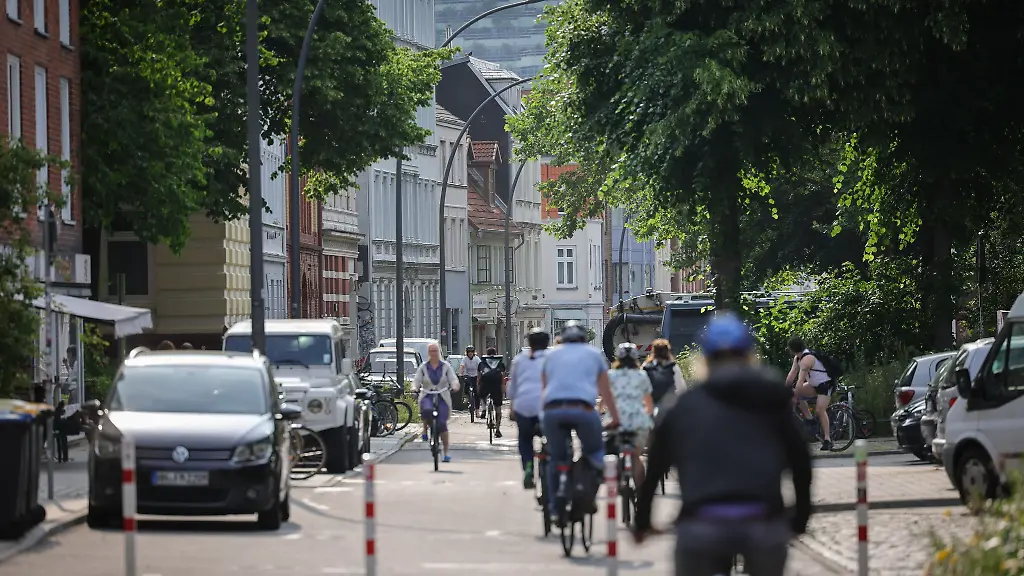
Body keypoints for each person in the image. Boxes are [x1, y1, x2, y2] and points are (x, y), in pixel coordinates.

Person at [633, 313, 812, 576]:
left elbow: (656, 465)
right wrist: (799, 519)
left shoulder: (685, 406)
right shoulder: (772, 398)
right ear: (749, 354)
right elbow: (800, 461)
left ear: (704, 358)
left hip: (701, 524)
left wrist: (643, 522)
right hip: (762, 522)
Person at [540, 321, 621, 520]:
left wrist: (542, 419)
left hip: (553, 411)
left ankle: (554, 502)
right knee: (595, 451)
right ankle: (586, 493)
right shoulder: (593, 355)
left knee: (556, 458)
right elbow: (606, 392)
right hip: (583, 410)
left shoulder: (550, 355)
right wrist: (615, 418)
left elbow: (544, 390)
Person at [603, 343, 654, 487]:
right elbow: (648, 400)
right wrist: (649, 414)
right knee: (636, 457)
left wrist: (599, 408)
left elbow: (605, 397)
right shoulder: (641, 375)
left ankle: (614, 479)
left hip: (616, 419)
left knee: (611, 450)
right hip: (638, 420)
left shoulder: (611, 375)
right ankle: (641, 493)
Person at [507, 328, 549, 488]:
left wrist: (512, 407)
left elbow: (512, 388)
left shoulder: (519, 360)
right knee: (553, 437)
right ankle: (553, 467)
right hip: (547, 407)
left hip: (524, 406)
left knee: (525, 438)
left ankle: (529, 467)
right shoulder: (552, 358)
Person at [411, 343, 460, 463]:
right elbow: (417, 380)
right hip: (428, 394)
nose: (433, 353)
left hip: (442, 395)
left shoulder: (445, 366)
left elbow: (453, 379)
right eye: (431, 351)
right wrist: (414, 388)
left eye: (435, 351)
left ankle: (446, 452)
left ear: (439, 352)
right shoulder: (423, 367)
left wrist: (454, 386)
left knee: (442, 423)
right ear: (428, 353)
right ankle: (426, 429)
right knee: (426, 410)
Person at [786, 337, 833, 451]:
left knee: (819, 410)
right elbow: (791, 375)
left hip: (825, 385)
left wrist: (795, 396)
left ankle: (828, 440)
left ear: (792, 349)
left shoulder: (807, 359)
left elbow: (800, 381)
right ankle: (810, 419)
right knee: (793, 393)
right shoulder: (797, 359)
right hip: (814, 385)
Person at [642, 338, 688, 404]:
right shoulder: (672, 366)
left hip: (652, 404)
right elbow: (681, 388)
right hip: (669, 404)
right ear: (667, 351)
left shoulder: (646, 366)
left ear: (653, 351)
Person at [477, 347, 506, 438]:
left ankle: (484, 407)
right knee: (498, 408)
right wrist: (503, 389)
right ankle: (497, 429)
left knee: (482, 395)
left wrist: (478, 387)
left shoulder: (482, 363)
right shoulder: (500, 363)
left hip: (485, 385)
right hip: (496, 385)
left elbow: (479, 377)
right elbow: (503, 378)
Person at [459, 345, 482, 412]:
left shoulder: (477, 359)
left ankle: (477, 410)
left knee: (477, 392)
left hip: (475, 376)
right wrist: (460, 373)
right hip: (467, 375)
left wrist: (481, 373)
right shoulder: (465, 359)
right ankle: (467, 397)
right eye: (469, 352)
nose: (470, 353)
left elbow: (480, 366)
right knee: (466, 385)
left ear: (474, 352)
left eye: (471, 352)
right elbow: (462, 366)